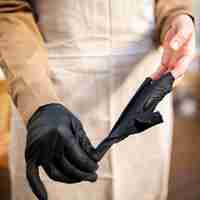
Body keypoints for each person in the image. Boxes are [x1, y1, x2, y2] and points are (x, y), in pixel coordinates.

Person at [0, 0, 195, 199]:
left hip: (142, 90)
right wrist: (38, 102)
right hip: (51, 96)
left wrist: (177, 15)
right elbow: (8, 8)